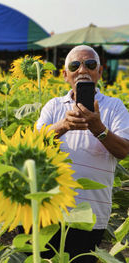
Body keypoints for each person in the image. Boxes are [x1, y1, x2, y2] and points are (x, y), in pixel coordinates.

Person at [36, 45, 129, 262]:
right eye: (75, 65)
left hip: (91, 215)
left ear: (100, 72)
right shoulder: (53, 106)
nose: (82, 69)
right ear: (65, 74)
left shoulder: (115, 107)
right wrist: (63, 126)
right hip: (48, 211)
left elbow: (124, 150)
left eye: (90, 64)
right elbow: (34, 143)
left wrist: (99, 129)